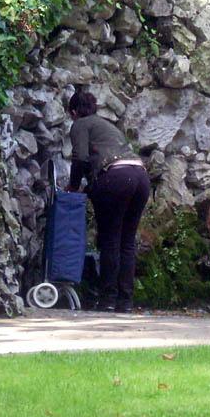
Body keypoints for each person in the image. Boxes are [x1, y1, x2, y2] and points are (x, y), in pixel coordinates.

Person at [66, 90, 149, 313]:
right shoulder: (107, 125)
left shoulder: (80, 124)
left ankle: (108, 300)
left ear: (74, 112)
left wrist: (73, 187)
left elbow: (80, 157)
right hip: (140, 176)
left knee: (110, 239)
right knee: (127, 241)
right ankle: (126, 302)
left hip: (116, 176)